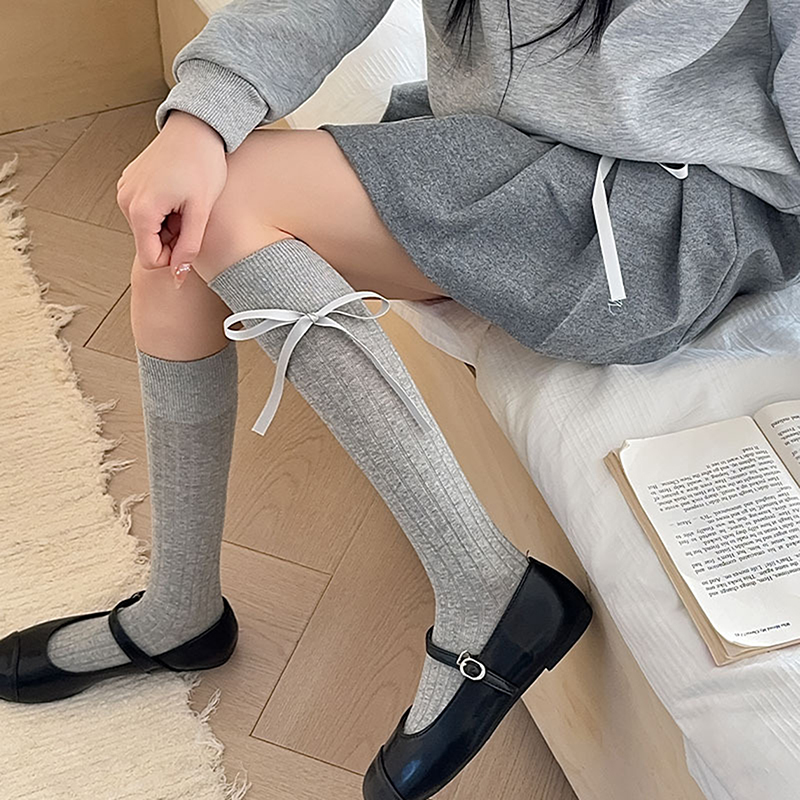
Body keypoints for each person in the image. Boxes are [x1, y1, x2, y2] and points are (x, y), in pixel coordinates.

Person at [2, 0, 799, 798]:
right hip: (518, 150)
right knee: (184, 225)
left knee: (222, 206)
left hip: (669, 208)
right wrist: (199, 121)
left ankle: (481, 585)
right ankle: (182, 612)